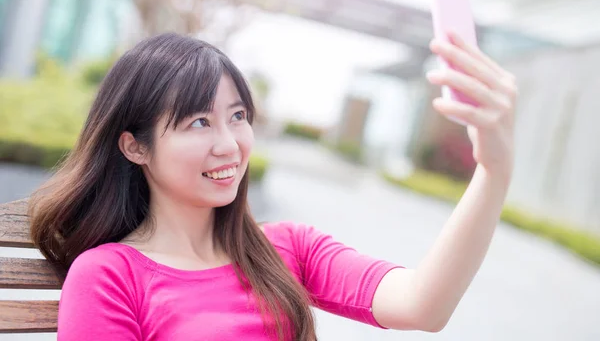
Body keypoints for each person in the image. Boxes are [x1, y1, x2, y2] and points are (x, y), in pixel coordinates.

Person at [29, 32, 517, 340]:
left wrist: (492, 172)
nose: (229, 144)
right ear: (135, 146)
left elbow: (422, 305)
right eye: (199, 122)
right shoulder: (110, 276)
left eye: (237, 116)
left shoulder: (286, 248)